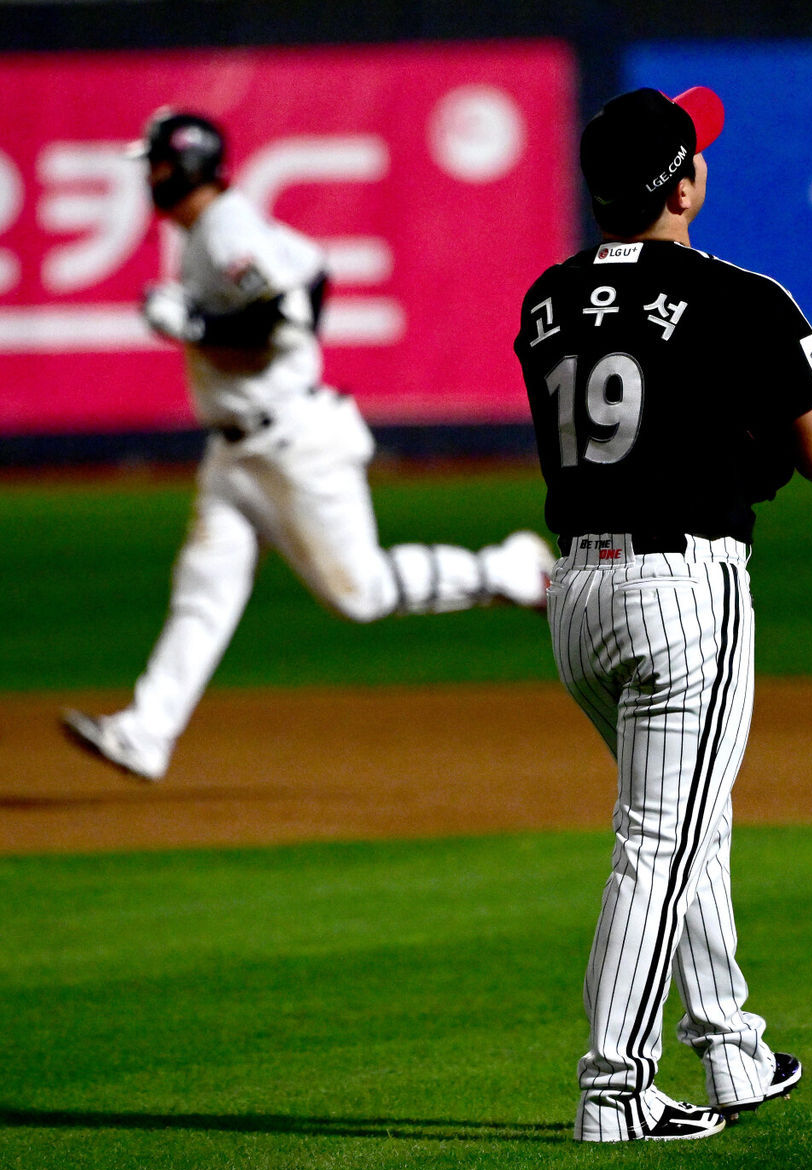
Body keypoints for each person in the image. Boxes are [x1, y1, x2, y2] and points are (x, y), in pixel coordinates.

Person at [514, 86, 812, 1143]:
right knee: (658, 840)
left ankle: (732, 1050)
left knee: (686, 822)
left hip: (575, 594)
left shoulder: (545, 298)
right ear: (686, 183)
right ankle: (612, 1087)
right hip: (681, 592)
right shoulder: (740, 296)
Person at [62, 108, 553, 782]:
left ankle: (510, 569)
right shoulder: (220, 225)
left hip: (292, 443)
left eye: (156, 162)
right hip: (238, 452)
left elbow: (280, 320)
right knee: (204, 592)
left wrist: (194, 322)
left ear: (187, 166)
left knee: (362, 593)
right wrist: (207, 324)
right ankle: (146, 732)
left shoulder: (225, 228)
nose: (148, 175)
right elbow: (313, 273)